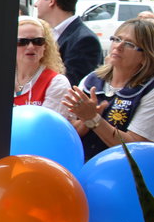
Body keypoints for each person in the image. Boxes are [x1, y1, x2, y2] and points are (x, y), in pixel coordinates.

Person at [64, 18, 154, 161]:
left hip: (122, 170)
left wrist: (94, 119)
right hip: (83, 165)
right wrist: (86, 120)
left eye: (129, 44)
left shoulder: (149, 90)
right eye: (117, 39)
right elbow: (70, 134)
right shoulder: (91, 80)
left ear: (146, 56)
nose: (118, 46)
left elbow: (135, 147)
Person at [36, 0, 103, 86]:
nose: (35, 4)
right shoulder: (48, 33)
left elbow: (72, 85)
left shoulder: (85, 40)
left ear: (51, 0)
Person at [14, 17, 70, 115]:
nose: (31, 46)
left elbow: (47, 122)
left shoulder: (57, 82)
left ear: (45, 46)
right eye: (21, 42)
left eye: (38, 41)